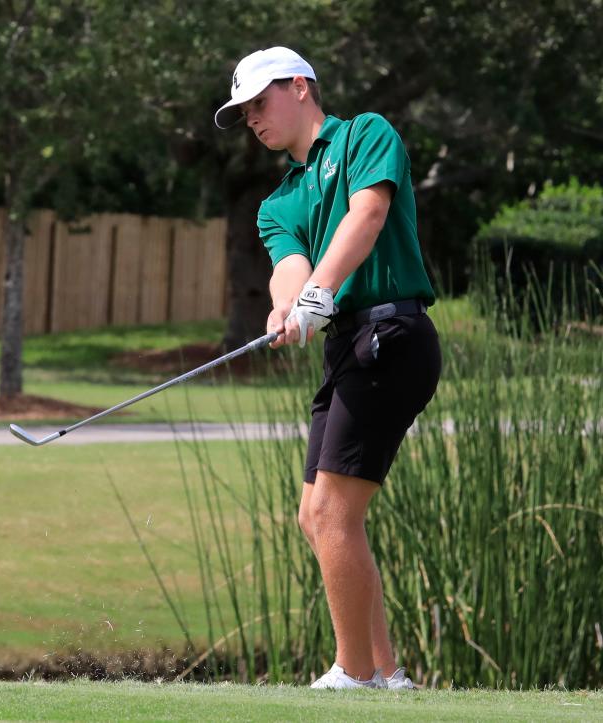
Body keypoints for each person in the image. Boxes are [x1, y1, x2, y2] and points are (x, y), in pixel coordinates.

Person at [214, 47, 442, 690]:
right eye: (244, 113)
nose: (253, 120)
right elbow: (289, 270)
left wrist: (322, 289)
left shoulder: (368, 134)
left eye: (260, 103)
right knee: (313, 514)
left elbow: (367, 214)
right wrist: (288, 307)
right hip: (348, 344)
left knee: (335, 514)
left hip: (392, 332)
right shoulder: (277, 202)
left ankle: (353, 673)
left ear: (299, 86)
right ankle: (388, 675)